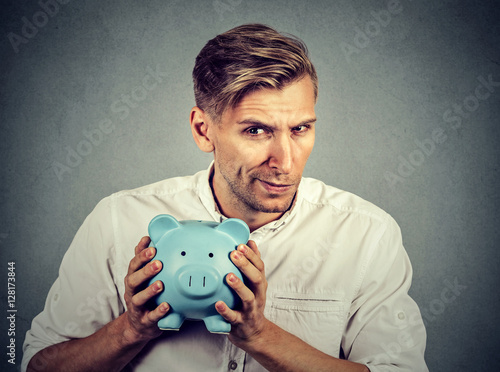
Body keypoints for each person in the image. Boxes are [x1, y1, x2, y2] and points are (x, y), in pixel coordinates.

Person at [22, 24, 428, 372]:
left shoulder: (366, 234)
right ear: (203, 130)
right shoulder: (117, 220)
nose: (285, 161)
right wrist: (129, 330)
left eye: (301, 128)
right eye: (256, 131)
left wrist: (261, 336)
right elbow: (36, 365)